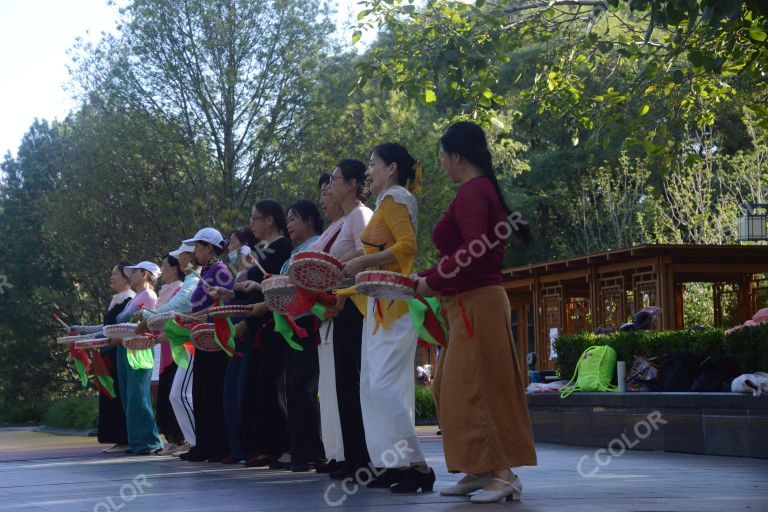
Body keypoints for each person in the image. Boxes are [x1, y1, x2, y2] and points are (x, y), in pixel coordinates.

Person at [415, 121, 537, 503]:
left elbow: (473, 253)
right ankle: (481, 468)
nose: (442, 165)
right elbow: (465, 255)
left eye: (442, 158)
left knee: (479, 388)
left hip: (477, 302)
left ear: (456, 156)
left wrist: (429, 282)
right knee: (450, 387)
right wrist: (428, 277)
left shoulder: (472, 192)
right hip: (467, 302)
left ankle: (504, 473)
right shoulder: (479, 190)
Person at [343, 145, 434, 492]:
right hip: (381, 305)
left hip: (396, 305)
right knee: (374, 387)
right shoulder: (387, 200)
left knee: (384, 387)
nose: (368, 172)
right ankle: (396, 463)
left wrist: (361, 264)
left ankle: (420, 466)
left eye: (372, 165)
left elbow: (407, 247)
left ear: (392, 168)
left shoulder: (395, 197)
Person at [323, 160, 373, 480]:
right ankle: (352, 457)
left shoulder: (361, 215)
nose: (330, 185)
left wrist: (338, 285)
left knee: (354, 384)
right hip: (340, 305)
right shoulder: (344, 221)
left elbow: (366, 256)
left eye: (335, 179)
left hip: (355, 305)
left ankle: (363, 458)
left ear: (353, 184)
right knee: (343, 386)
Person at [275, 199, 326, 471]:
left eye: (293, 218)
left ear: (309, 220)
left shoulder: (317, 246)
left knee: (304, 389)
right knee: (291, 391)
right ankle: (300, 450)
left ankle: (310, 451)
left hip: (309, 323)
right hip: (292, 325)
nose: (289, 225)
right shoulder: (295, 253)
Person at [177, 228, 234, 462]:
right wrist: (188, 316)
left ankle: (217, 445)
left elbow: (223, 303)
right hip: (203, 337)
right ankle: (205, 443)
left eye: (198, 247)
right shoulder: (207, 271)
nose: (195, 252)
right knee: (201, 392)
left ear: (209, 248)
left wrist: (201, 315)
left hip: (215, 339)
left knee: (211, 392)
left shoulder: (220, 271)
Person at [69, 262, 134, 453]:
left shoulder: (129, 299)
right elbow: (105, 327)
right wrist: (81, 331)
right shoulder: (117, 299)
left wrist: (87, 337)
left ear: (126, 278)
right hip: (108, 353)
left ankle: (124, 439)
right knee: (110, 394)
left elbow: (114, 330)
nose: (112, 277)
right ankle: (118, 439)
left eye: (115, 274)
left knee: (117, 395)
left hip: (118, 353)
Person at [311, 174, 346, 474]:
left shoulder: (354, 220)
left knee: (340, 384)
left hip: (340, 307)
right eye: (322, 193)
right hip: (324, 310)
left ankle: (347, 453)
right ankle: (334, 452)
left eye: (328, 191)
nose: (324, 198)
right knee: (329, 385)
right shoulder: (334, 228)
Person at [113, 261, 164, 455]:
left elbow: (148, 323)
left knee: (138, 395)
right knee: (129, 396)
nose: (130, 276)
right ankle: (137, 441)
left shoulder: (149, 296)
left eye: (134, 272)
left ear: (145, 274)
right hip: (126, 347)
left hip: (139, 348)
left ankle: (149, 442)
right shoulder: (136, 297)